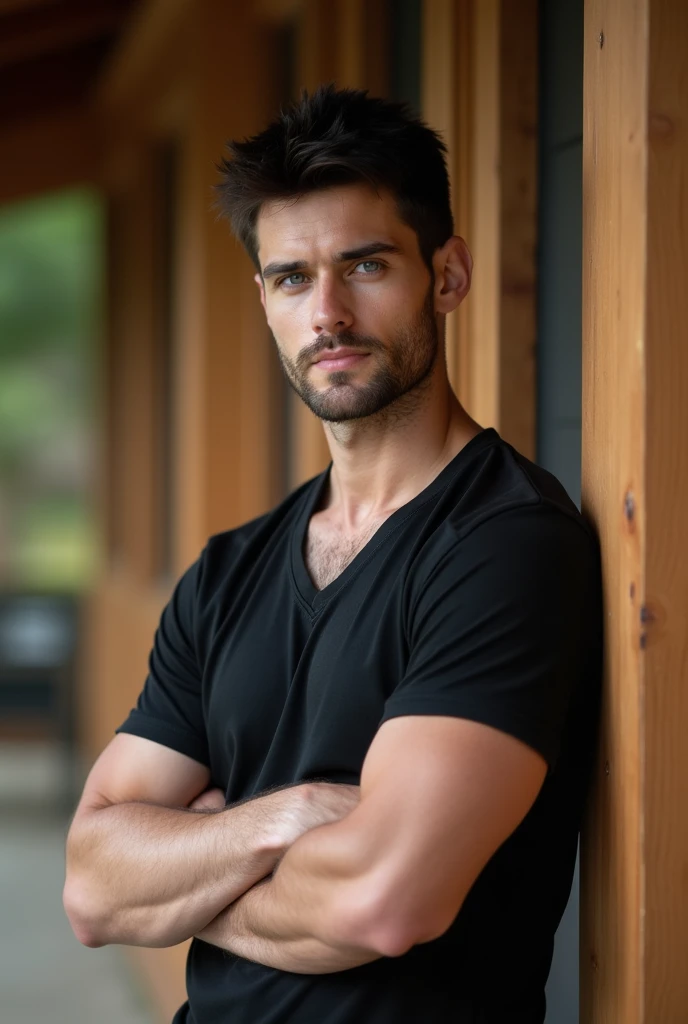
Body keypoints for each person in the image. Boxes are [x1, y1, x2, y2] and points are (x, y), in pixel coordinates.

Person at [64, 85, 602, 1024]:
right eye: (291, 278)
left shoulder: (506, 546)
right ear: (265, 298)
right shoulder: (230, 572)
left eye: (365, 265)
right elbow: (92, 884)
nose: (328, 315)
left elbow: (384, 901)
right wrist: (284, 815)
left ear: (448, 275)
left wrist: (192, 859)